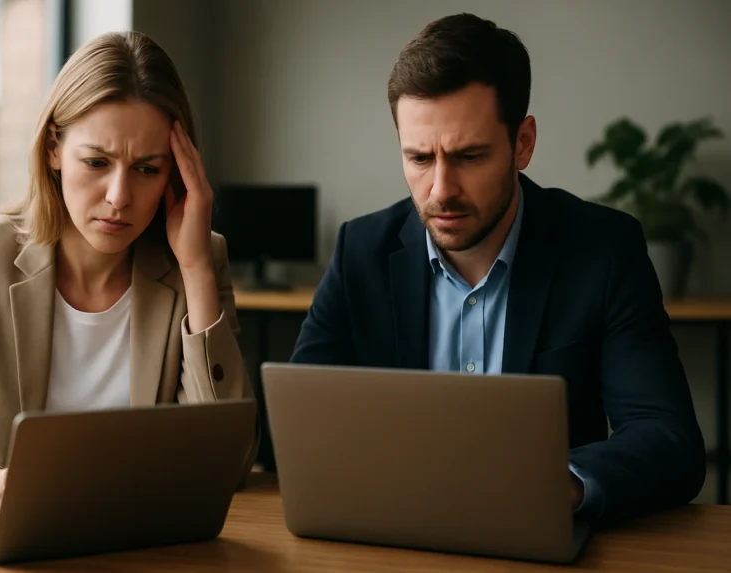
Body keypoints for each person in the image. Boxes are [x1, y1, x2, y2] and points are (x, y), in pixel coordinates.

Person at [290, 13, 705, 525]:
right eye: (420, 159)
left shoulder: (604, 249)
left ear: (523, 143)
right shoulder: (361, 251)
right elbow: (299, 426)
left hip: (539, 538)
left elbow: (668, 438)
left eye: (468, 156)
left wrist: (559, 486)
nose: (441, 190)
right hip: (394, 535)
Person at [0, 31, 257, 518]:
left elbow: (232, 462)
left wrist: (197, 269)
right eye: (97, 162)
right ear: (54, 148)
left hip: (139, 541)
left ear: (176, 173)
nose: (119, 196)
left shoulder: (197, 259)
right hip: (7, 533)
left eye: (146, 169)